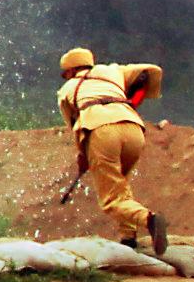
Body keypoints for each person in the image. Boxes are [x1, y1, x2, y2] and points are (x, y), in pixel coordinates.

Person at [55, 46, 168, 258]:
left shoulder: (67, 90)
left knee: (111, 199)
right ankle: (128, 237)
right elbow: (150, 71)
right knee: (120, 184)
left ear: (70, 71)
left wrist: (83, 155)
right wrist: (134, 98)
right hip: (133, 128)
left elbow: (75, 125)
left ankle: (149, 220)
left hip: (101, 130)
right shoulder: (112, 71)